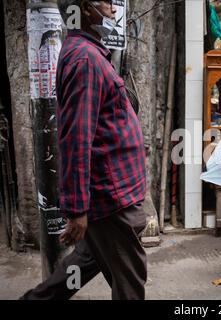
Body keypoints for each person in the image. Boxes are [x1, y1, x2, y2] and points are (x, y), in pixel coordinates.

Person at [21, 0, 148, 300]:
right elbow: (76, 138)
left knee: (79, 268)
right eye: (105, 2)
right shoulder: (85, 59)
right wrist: (77, 210)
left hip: (110, 196)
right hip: (110, 199)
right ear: (84, 9)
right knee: (130, 284)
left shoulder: (89, 53)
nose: (113, 10)